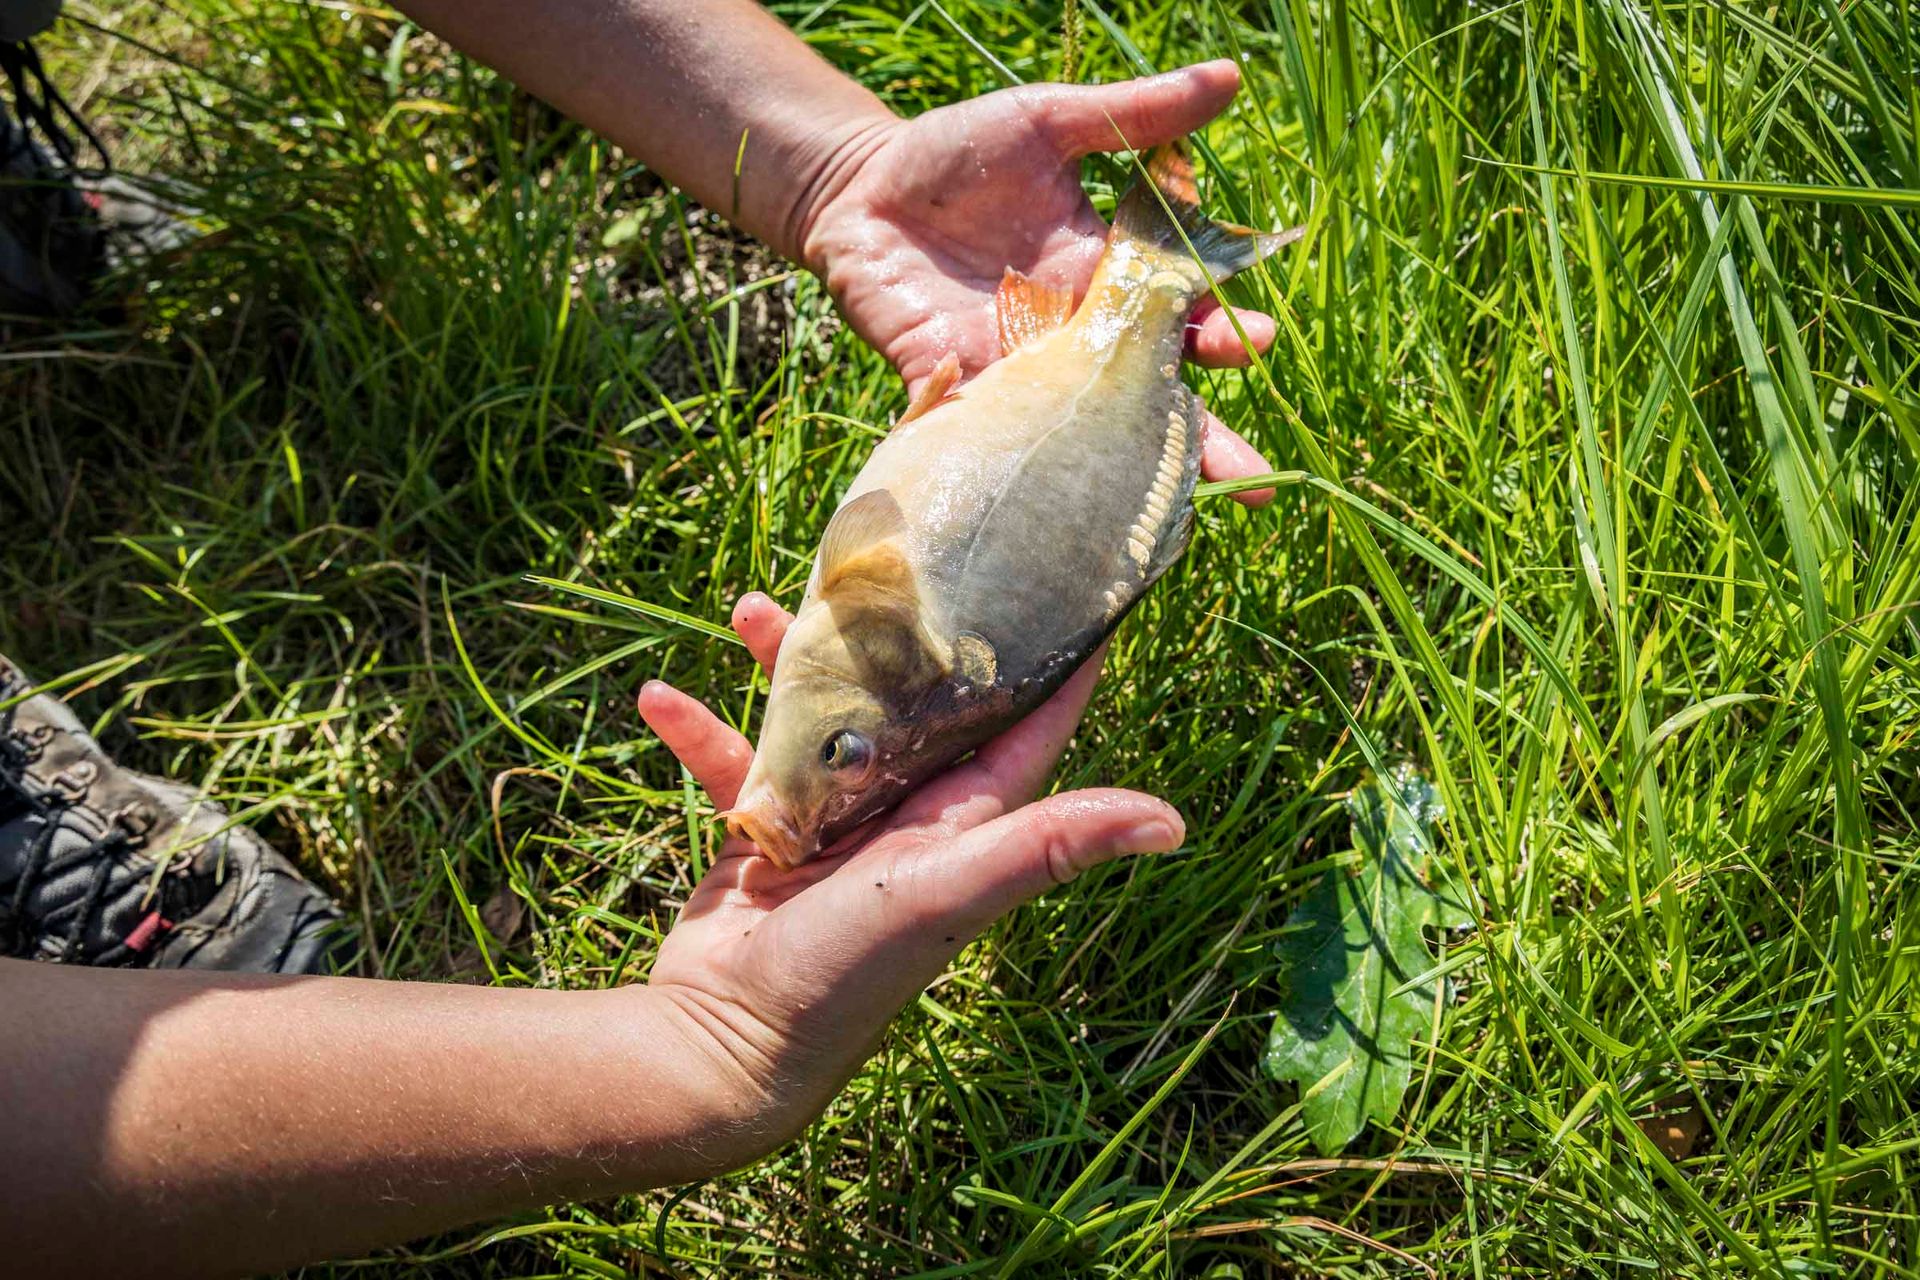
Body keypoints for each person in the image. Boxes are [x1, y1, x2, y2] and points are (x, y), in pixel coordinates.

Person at [0, 1, 1284, 1274]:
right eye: (845, 758)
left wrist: (835, 169)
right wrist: (697, 1053)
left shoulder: (879, 644)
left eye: (848, 762)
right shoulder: (883, 624)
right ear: (872, 615)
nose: (822, 783)